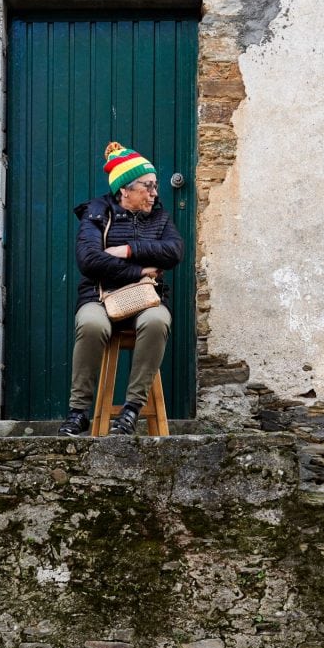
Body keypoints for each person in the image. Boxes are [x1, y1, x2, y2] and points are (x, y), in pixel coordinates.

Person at [57, 142, 184, 436]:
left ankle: (130, 410)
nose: (154, 193)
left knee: (157, 322)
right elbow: (89, 260)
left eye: (155, 186)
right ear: (124, 190)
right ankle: (78, 412)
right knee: (90, 325)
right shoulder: (97, 214)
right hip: (99, 296)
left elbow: (174, 251)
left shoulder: (160, 217)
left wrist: (127, 250)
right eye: (148, 186)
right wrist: (140, 269)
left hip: (146, 298)